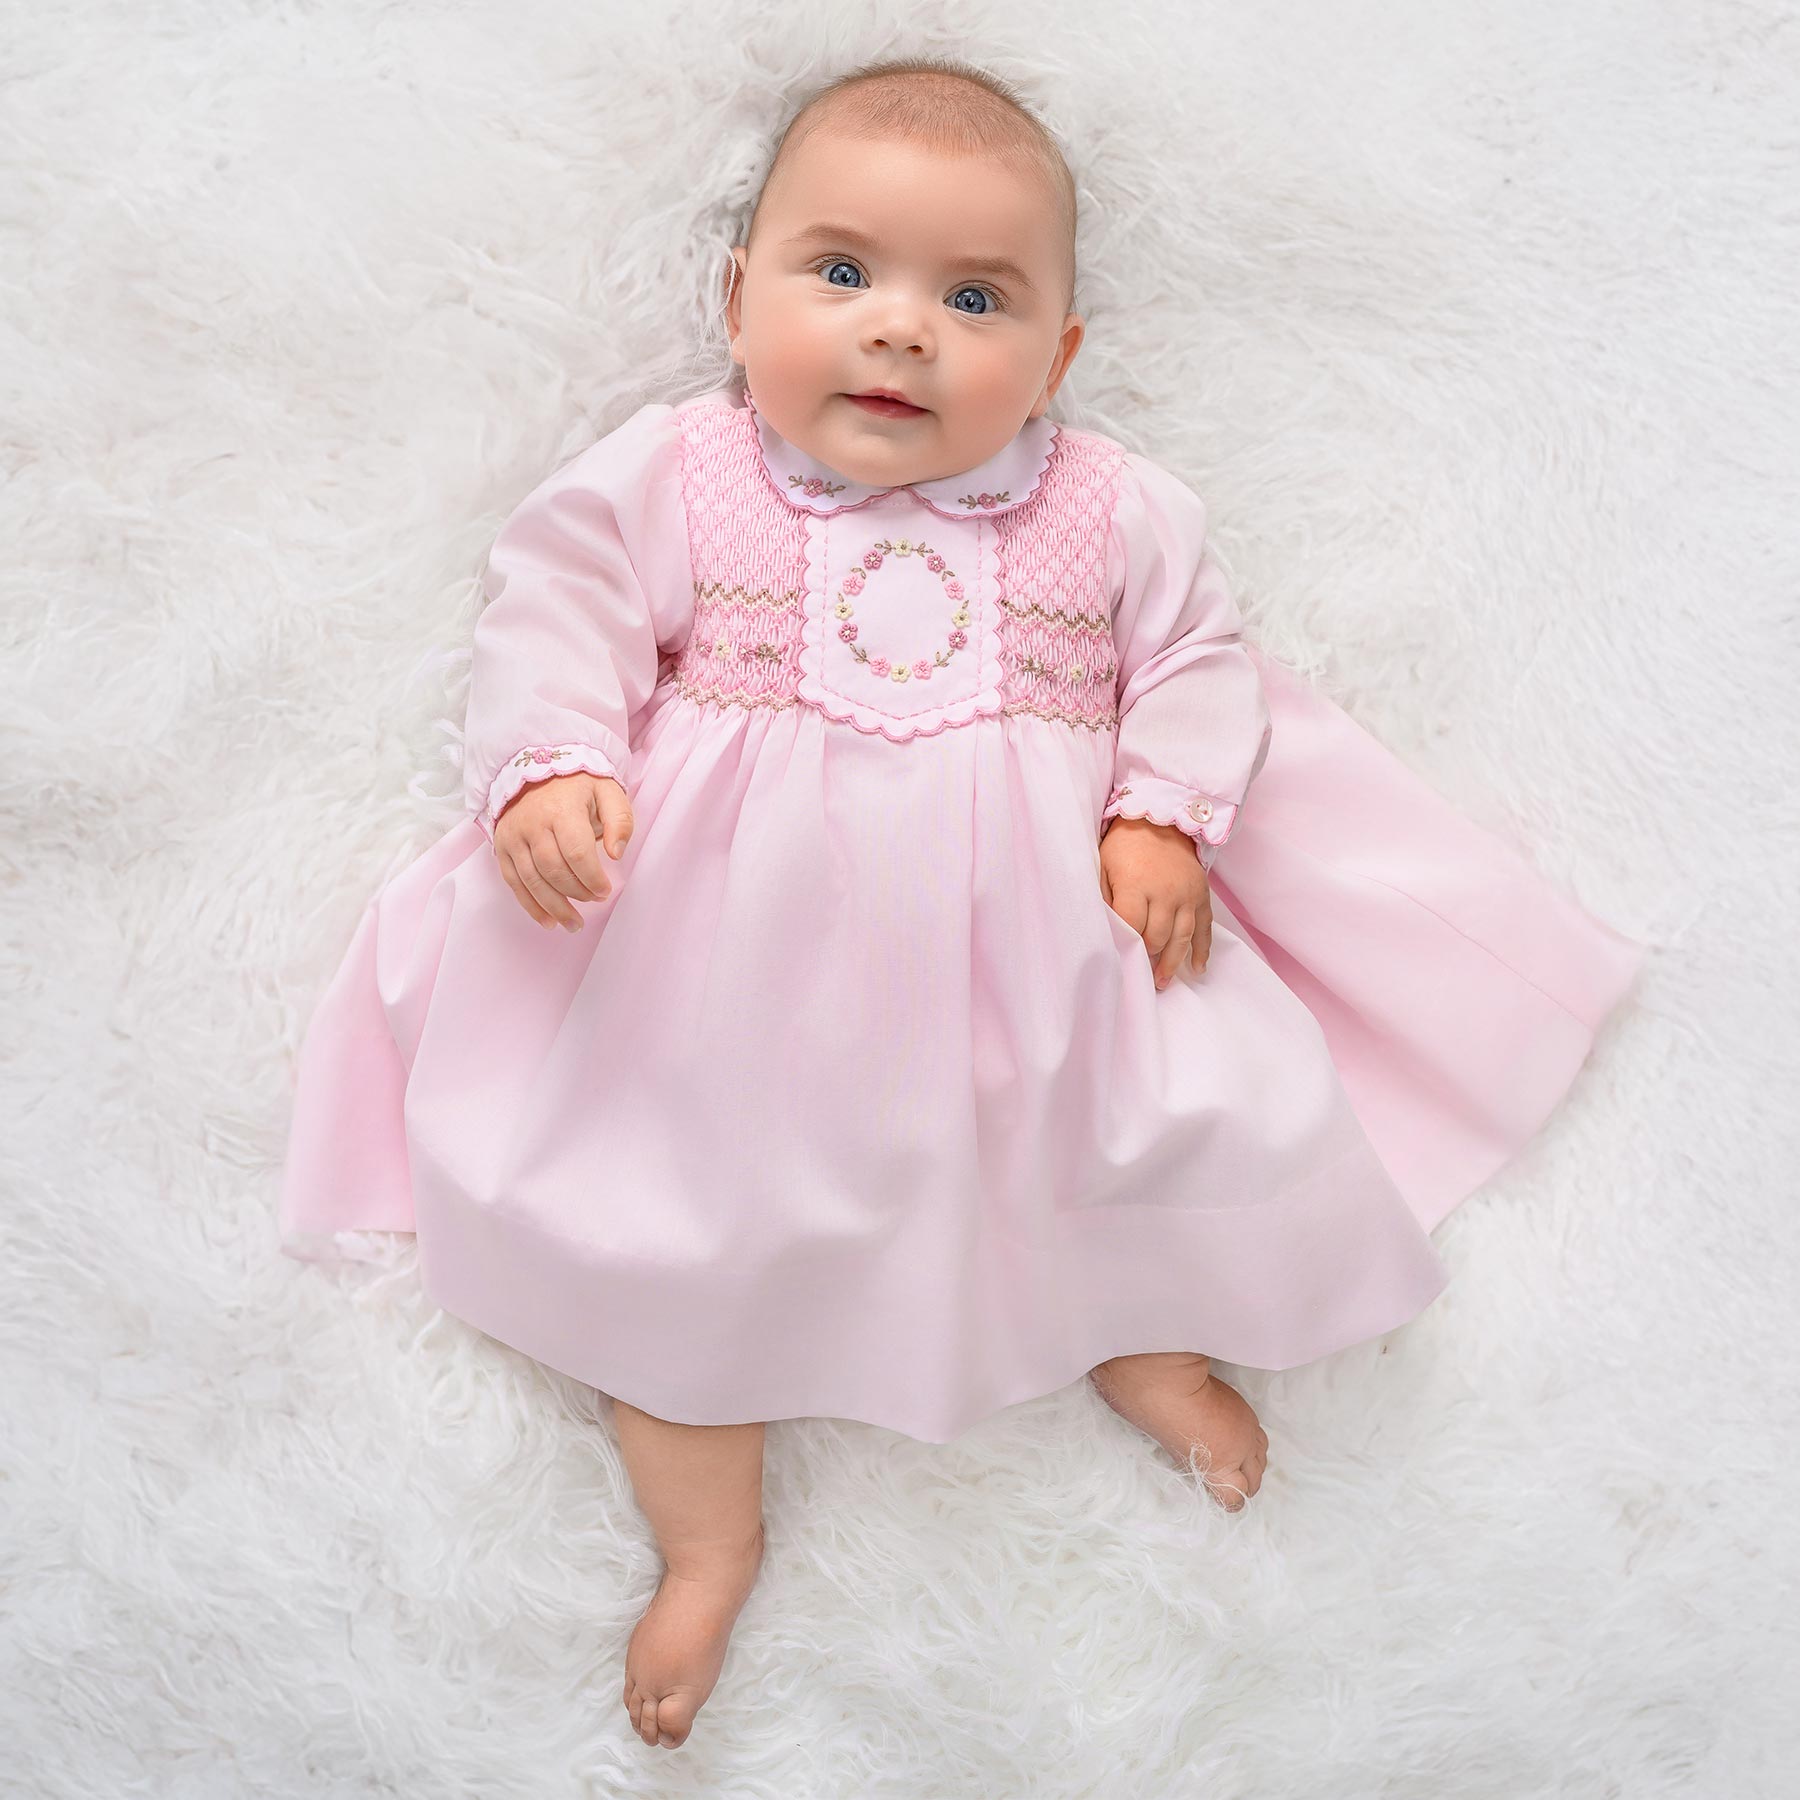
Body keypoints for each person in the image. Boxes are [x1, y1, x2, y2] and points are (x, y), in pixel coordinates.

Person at [277, 57, 1647, 1752]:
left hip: (1031, 963)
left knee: (1139, 1131)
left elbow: (1199, 665)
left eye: (976, 297)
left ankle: (1139, 1338)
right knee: (664, 1244)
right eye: (842, 271)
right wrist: (552, 764)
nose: (901, 330)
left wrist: (1162, 812)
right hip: (721, 988)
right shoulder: (682, 472)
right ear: (736, 297)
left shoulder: (1112, 508)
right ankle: (707, 1543)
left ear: (1058, 357)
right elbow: (554, 607)